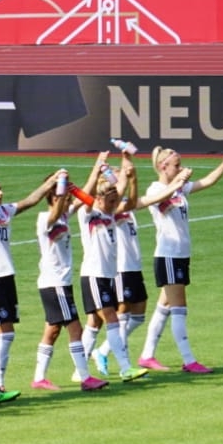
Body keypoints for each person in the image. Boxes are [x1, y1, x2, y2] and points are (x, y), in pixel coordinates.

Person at [138, 143, 223, 372]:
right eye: (176, 165)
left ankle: (146, 355)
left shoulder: (179, 188)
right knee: (179, 308)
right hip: (168, 255)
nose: (181, 168)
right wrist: (178, 182)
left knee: (164, 306)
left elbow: (208, 181)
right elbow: (160, 201)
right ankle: (189, 361)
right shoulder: (156, 189)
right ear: (163, 167)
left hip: (180, 254)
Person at [0, 167, 63, 403]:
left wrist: (51, 182)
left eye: (0, 189)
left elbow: (30, 200)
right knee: (4, 333)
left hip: (7, 277)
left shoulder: (4, 211)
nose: (1, 193)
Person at [30, 164, 107, 392]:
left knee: (52, 330)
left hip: (59, 283)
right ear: (54, 197)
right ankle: (85, 377)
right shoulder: (45, 218)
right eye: (62, 196)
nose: (68, 200)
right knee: (75, 329)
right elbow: (55, 214)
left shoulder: (63, 217)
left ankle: (39, 378)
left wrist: (96, 169)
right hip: (55, 284)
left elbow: (86, 196)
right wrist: (62, 186)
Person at [76, 157, 149, 384]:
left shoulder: (109, 214)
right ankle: (125, 368)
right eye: (109, 201)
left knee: (95, 323)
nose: (114, 205)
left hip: (107, 276)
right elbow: (85, 197)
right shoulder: (88, 215)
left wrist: (128, 174)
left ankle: (79, 371)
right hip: (94, 275)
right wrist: (96, 168)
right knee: (112, 319)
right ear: (98, 199)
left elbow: (125, 193)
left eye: (115, 201)